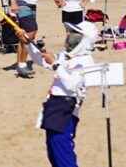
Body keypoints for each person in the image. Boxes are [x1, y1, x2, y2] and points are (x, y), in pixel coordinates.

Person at [17, 21, 97, 167]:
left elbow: (72, 85)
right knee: (53, 152)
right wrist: (27, 43)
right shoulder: (65, 56)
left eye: (74, 34)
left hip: (65, 109)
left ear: (84, 41)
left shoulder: (86, 61)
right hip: (54, 107)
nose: (69, 36)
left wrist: (55, 64)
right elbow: (41, 60)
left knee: (63, 153)